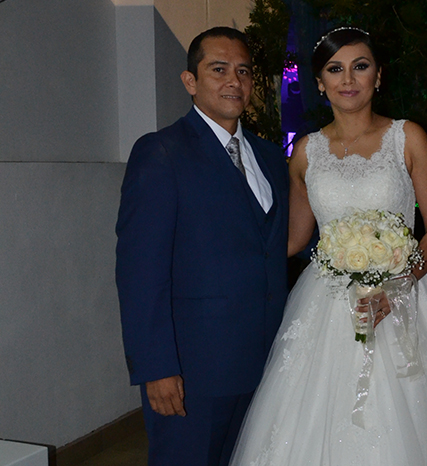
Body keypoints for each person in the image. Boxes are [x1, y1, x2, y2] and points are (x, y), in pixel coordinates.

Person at [229, 27, 427, 465]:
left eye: (360, 66)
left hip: (406, 296)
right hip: (327, 305)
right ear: (319, 83)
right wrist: (225, 246)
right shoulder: (306, 152)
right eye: (334, 69)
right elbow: (295, 238)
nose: (348, 79)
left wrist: (398, 286)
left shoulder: (407, 137)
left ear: (378, 76)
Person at [115, 27, 289, 466]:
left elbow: (279, 245)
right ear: (190, 81)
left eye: (243, 71)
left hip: (266, 361)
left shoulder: (271, 158)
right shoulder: (161, 153)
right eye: (219, 69)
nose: (234, 81)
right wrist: (156, 367)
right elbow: (140, 273)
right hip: (194, 370)